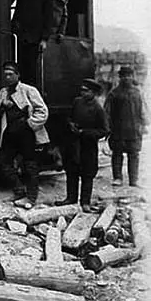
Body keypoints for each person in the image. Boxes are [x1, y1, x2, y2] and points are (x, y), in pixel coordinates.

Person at [0, 61, 50, 209]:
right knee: (4, 163)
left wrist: (29, 124)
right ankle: (19, 191)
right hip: (10, 133)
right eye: (5, 75)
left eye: (11, 74)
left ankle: (31, 198)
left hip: (26, 133)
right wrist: (1, 106)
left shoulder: (28, 90)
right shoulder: (3, 92)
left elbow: (42, 110)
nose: (8, 77)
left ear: (18, 75)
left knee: (30, 165)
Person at [55, 79, 109, 211]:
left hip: (88, 146)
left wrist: (85, 132)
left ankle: (85, 202)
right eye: (82, 90)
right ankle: (71, 198)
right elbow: (70, 117)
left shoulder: (98, 109)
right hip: (74, 144)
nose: (83, 93)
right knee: (71, 171)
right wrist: (71, 125)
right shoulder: (77, 102)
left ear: (94, 93)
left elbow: (104, 130)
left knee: (87, 174)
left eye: (86, 91)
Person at [11, 0, 55, 85]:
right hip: (18, 35)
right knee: (16, 67)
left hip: (35, 38)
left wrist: (44, 39)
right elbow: (7, 3)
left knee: (30, 69)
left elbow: (48, 18)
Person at [104, 65, 148, 187]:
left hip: (134, 129)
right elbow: (106, 112)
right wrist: (107, 127)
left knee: (134, 154)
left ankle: (133, 179)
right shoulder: (113, 94)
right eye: (124, 76)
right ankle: (117, 178)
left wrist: (144, 124)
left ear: (132, 76)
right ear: (120, 77)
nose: (126, 78)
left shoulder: (138, 93)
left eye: (128, 76)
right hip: (117, 129)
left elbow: (143, 110)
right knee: (117, 154)